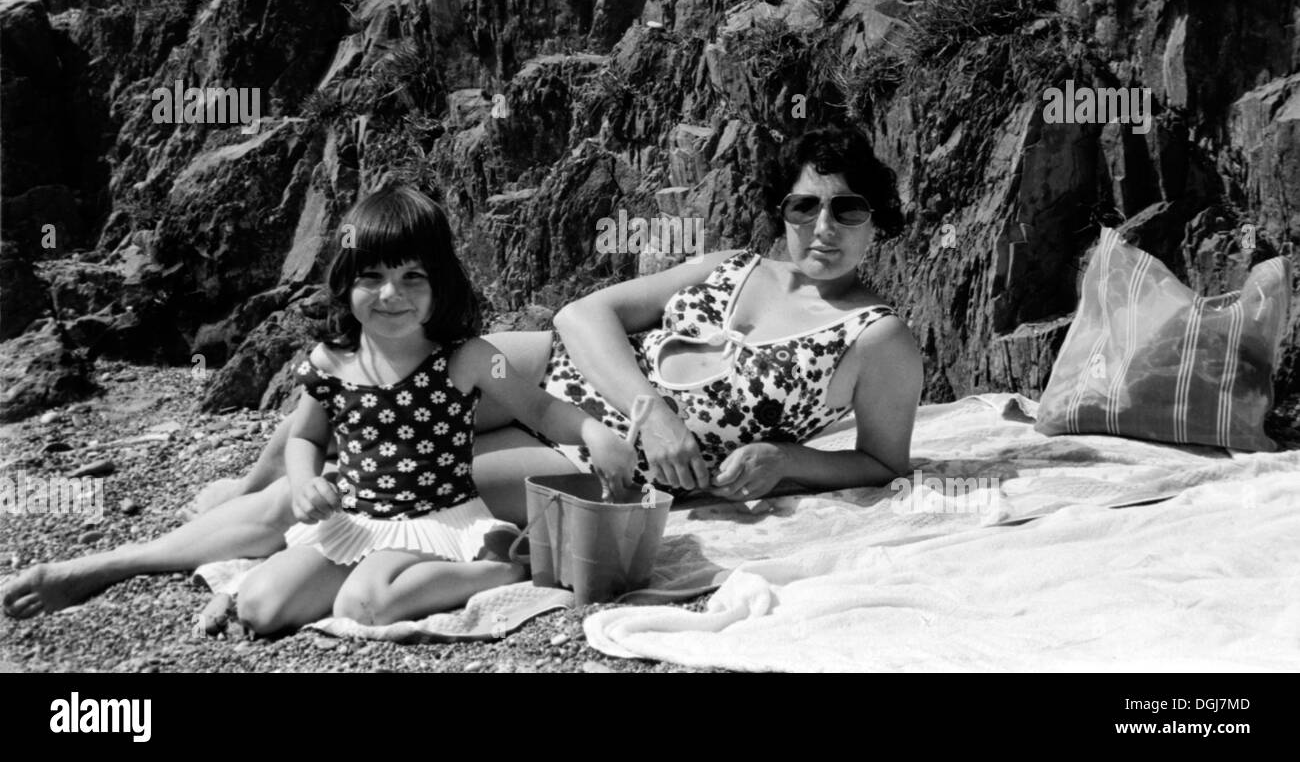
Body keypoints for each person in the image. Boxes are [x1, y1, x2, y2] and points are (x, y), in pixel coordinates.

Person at [2, 127, 922, 619]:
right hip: (566, 379)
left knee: (376, 480)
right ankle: (240, 501)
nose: (823, 227)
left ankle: (126, 557)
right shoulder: (724, 265)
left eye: (848, 208)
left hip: (610, 461)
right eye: (803, 206)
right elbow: (579, 315)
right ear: (780, 211)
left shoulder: (878, 341)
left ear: (878, 217)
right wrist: (650, 407)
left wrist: (783, 462)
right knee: (368, 382)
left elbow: (883, 464)